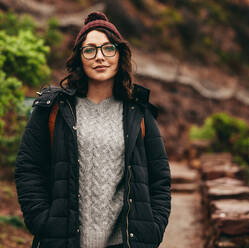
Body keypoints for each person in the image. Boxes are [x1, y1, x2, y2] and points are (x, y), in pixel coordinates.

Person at [15, 11, 171, 248]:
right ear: (80, 58)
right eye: (90, 50)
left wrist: (153, 228)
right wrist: (43, 223)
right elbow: (28, 168)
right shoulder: (54, 109)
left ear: (120, 55)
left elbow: (159, 178)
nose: (100, 57)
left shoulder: (138, 113)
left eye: (108, 48)